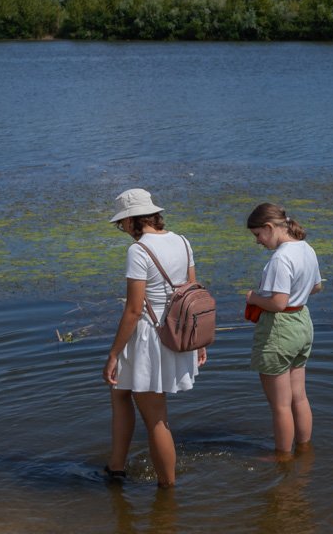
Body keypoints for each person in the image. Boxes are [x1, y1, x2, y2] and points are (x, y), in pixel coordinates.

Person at [103, 188, 206, 487]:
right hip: (179, 330)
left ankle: (167, 489)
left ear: (133, 220)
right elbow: (192, 293)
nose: (121, 228)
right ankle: (116, 466)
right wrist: (197, 341)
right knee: (120, 391)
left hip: (150, 336)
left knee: (156, 418)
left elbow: (134, 310)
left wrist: (113, 354)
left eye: (122, 222)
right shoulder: (183, 242)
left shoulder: (138, 250)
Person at [245, 202, 322, 460]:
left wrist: (254, 298)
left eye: (257, 235)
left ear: (269, 227)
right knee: (299, 397)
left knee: (280, 405)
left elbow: (277, 303)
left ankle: (282, 457)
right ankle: (305, 448)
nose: (257, 242)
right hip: (302, 321)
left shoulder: (280, 258)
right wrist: (296, 294)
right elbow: (317, 287)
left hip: (280, 329)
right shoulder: (306, 248)